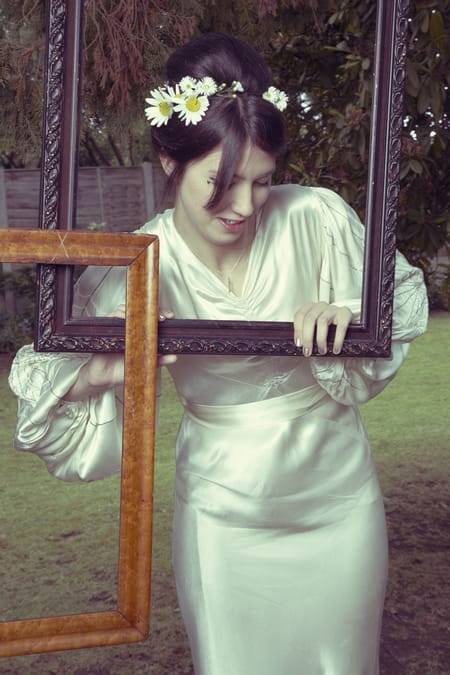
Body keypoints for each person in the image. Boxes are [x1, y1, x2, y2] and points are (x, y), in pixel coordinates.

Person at [9, 33, 428, 675]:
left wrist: (350, 320)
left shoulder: (316, 217)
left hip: (338, 498)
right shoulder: (141, 257)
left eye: (263, 183)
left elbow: (396, 306)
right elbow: (45, 376)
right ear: (170, 160)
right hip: (222, 510)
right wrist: (100, 372)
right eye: (223, 183)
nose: (244, 207)